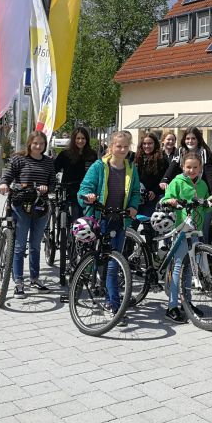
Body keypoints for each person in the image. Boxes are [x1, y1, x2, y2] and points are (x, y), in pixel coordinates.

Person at [78, 131, 141, 315]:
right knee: (99, 259)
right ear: (111, 147)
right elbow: (84, 188)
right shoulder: (99, 166)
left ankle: (113, 303)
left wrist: (133, 206)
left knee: (113, 263)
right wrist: (89, 196)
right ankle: (93, 284)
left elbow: (135, 192)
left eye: (125, 146)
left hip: (120, 219)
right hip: (101, 218)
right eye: (118, 146)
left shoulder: (131, 168)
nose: (122, 149)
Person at [0, 131, 56, 298]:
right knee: (19, 245)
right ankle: (18, 282)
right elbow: (8, 176)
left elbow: (53, 182)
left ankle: (35, 278)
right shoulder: (19, 159)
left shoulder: (48, 162)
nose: (38, 146)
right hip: (21, 205)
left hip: (40, 206)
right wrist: (4, 184)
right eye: (35, 143)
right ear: (30, 143)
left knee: (35, 245)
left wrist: (47, 188)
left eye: (41, 144)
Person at [161, 151, 212, 323]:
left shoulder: (202, 185)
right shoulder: (177, 182)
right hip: (182, 229)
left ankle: (187, 303)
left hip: (196, 231)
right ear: (183, 166)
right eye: (188, 167)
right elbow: (167, 198)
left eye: (195, 167)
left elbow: (206, 206)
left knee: (190, 268)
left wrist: (211, 201)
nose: (192, 170)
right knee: (178, 267)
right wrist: (171, 201)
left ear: (200, 168)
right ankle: (172, 306)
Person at [160, 127, 212, 241]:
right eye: (187, 138)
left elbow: (210, 173)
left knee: (202, 232)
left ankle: (202, 249)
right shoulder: (180, 150)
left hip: (201, 189)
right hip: (184, 191)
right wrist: (165, 180)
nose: (190, 141)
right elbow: (173, 166)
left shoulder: (204, 152)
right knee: (180, 230)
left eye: (193, 138)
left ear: (198, 139)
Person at [53, 127, 98, 221]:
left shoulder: (92, 154)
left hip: (86, 189)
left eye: (83, 138)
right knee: (75, 215)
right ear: (73, 139)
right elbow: (54, 169)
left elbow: (96, 173)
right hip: (69, 189)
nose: (80, 141)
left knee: (86, 217)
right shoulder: (65, 154)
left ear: (87, 139)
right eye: (78, 138)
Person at [134, 132, 168, 218]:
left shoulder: (162, 159)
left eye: (150, 143)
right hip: (139, 197)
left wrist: (154, 191)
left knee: (149, 222)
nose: (147, 146)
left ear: (155, 144)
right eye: (144, 143)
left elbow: (164, 179)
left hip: (154, 197)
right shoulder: (137, 158)